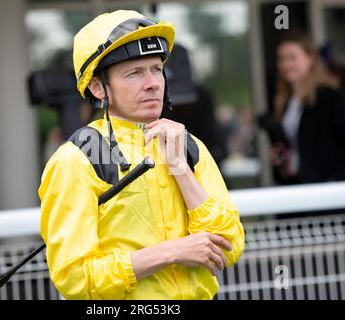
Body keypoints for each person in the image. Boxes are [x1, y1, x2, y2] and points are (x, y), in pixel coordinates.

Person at [38, 10, 244, 300]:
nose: (153, 83)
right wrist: (170, 252)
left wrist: (181, 170)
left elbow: (229, 246)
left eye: (157, 69)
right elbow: (74, 279)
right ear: (98, 87)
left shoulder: (189, 145)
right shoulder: (75, 160)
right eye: (134, 73)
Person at [258, 32, 345, 184]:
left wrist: (335, 181)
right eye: (281, 59)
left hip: (327, 188)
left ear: (310, 59)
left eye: (292, 57)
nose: (286, 64)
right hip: (298, 183)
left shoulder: (328, 97)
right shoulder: (287, 101)